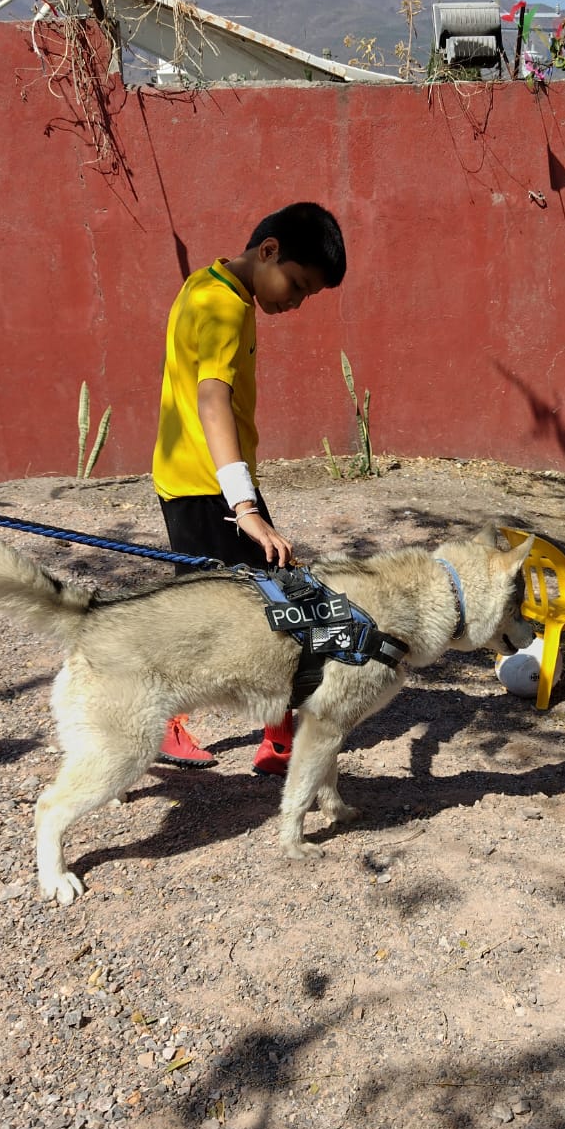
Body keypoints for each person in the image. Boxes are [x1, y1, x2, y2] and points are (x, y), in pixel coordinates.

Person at [151, 201, 347, 774]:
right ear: (269, 251)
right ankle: (177, 723)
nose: (296, 300)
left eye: (307, 294)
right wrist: (245, 506)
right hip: (208, 488)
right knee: (255, 607)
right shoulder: (222, 307)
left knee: (268, 599)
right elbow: (212, 399)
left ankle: (278, 735)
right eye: (297, 283)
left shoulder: (208, 286)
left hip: (201, 480)